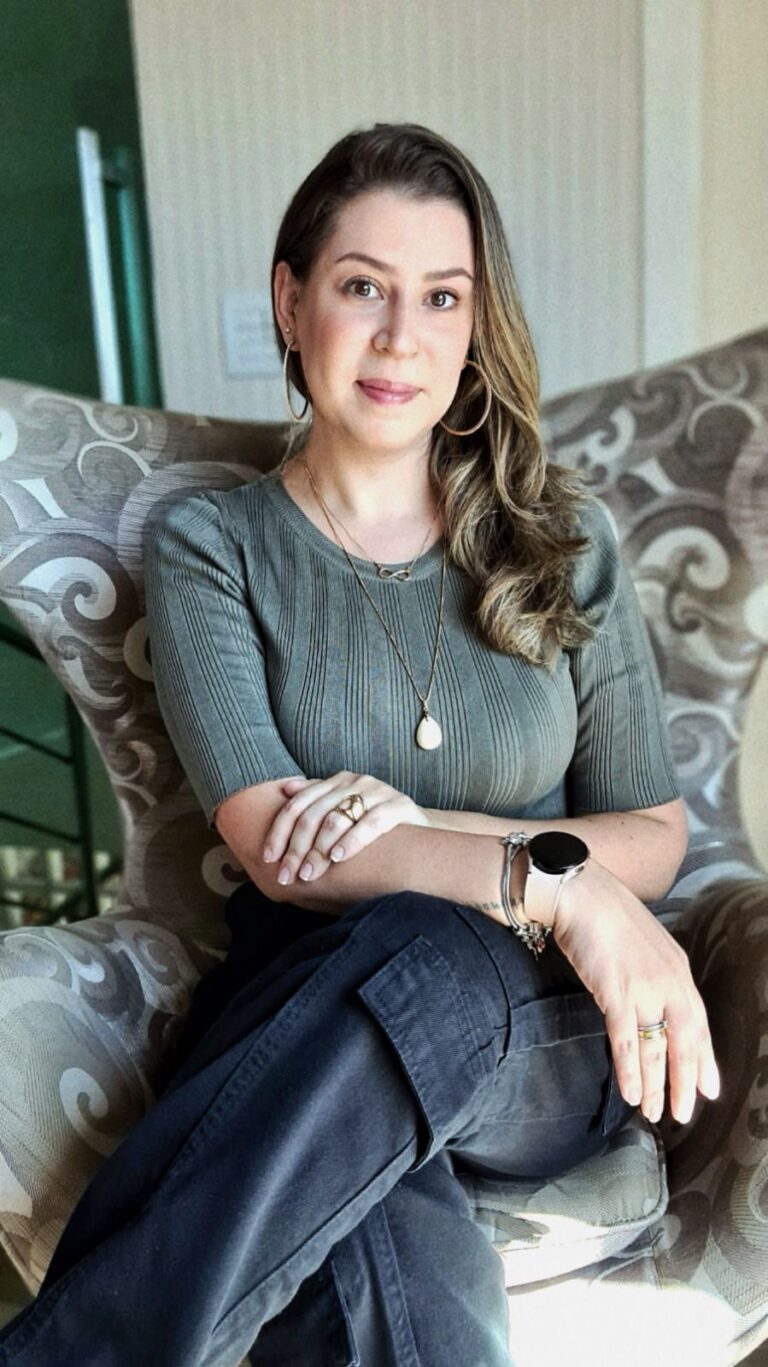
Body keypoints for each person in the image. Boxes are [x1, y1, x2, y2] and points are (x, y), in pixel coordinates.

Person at [0, 121, 720, 1367]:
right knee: (378, 1219)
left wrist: (510, 869)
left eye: (442, 296)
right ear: (292, 302)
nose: (401, 336)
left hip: (537, 1028)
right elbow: (279, 846)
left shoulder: (562, 539)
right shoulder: (210, 546)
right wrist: (550, 875)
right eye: (362, 287)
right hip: (307, 1012)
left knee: (414, 959)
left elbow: (653, 828)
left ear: (476, 327)